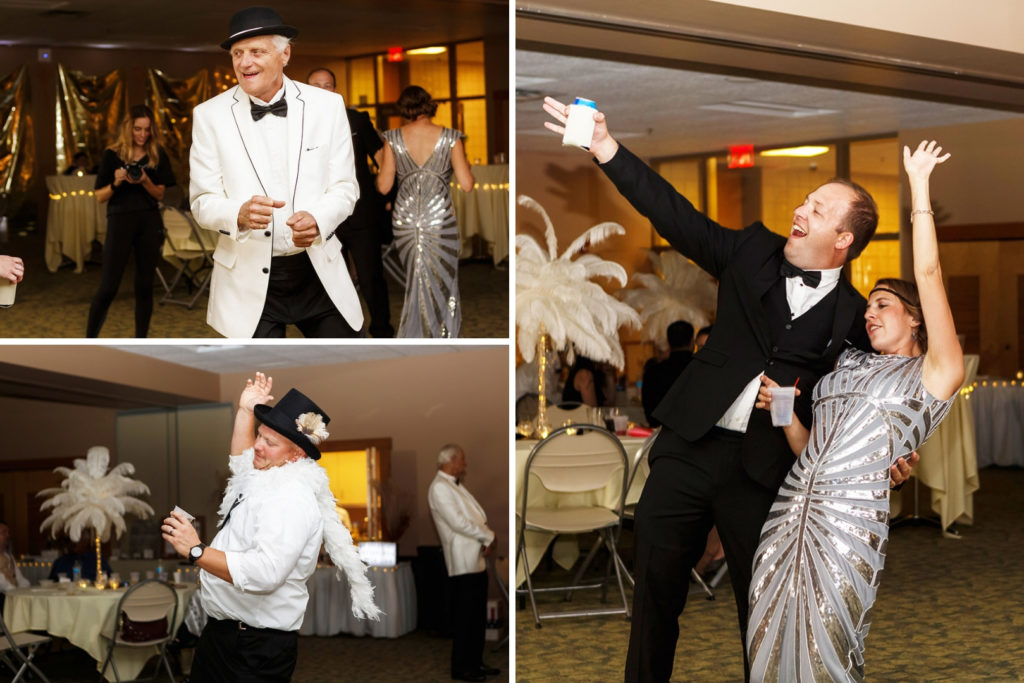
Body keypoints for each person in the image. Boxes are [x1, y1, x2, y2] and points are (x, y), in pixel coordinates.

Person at [542, 97, 915, 682]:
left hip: (764, 475)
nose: (800, 209)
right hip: (689, 448)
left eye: (817, 210)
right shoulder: (750, 252)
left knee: (761, 612)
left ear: (843, 239)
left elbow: (869, 405)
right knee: (654, 599)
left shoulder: (851, 318)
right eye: (805, 201)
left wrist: (890, 459)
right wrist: (605, 148)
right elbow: (675, 215)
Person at [747, 141, 963, 681]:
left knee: (829, 648)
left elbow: (931, 274)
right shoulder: (846, 366)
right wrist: (780, 408)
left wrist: (919, 186)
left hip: (847, 524)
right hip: (789, 512)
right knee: (767, 643)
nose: (870, 314)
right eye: (868, 307)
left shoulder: (934, 374)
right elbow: (807, 446)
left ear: (916, 319)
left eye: (883, 305)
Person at [161, 372, 379, 681]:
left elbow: (265, 573)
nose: (258, 446)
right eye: (260, 435)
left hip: (253, 648)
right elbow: (240, 458)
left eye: (270, 442)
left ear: (297, 454)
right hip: (224, 637)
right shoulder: (262, 475)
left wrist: (196, 550)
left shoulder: (290, 497)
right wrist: (245, 410)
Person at [189, 6, 363, 338]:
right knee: (265, 378)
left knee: (351, 366)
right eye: (238, 53)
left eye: (256, 51)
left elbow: (345, 187)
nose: (244, 62)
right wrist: (237, 212)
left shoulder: (327, 107)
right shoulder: (209, 115)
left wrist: (318, 219)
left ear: (285, 54)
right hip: (246, 280)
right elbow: (202, 201)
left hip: (318, 272)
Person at [376, 85, 475, 338]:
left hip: (406, 221)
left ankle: (421, 336)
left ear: (404, 109)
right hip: (440, 220)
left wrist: (381, 164)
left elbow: (384, 186)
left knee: (416, 279)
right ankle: (438, 336)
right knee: (441, 283)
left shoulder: (393, 138)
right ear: (429, 105)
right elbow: (466, 185)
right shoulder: (451, 137)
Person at [306, 67, 394, 337]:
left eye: (328, 85)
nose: (323, 90)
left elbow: (383, 158)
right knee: (331, 281)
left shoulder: (355, 120)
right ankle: (344, 334)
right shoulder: (298, 123)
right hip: (321, 217)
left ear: (336, 90)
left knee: (370, 278)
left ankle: (382, 331)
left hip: (360, 212)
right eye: (316, 86)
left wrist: (387, 195)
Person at [88, 104, 175, 337]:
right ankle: (88, 340)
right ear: (129, 128)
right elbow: (99, 197)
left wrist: (145, 180)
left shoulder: (157, 153)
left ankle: (141, 340)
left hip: (149, 222)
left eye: (147, 130)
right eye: (138, 129)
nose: (142, 135)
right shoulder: (112, 154)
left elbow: (159, 194)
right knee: (108, 286)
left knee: (145, 286)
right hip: (120, 221)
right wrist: (117, 182)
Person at [428, 444, 499, 682]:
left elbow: (472, 517)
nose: (465, 465)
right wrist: (489, 536)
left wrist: (484, 537)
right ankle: (462, 668)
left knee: (476, 617)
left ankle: (475, 662)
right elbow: (458, 523)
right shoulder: (439, 488)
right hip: (461, 561)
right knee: (465, 618)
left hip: (474, 556)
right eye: (463, 461)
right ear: (451, 460)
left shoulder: (452, 486)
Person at [641, 320, 694, 427]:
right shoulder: (700, 369)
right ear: (692, 342)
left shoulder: (653, 372)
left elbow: (649, 412)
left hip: (661, 433)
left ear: (668, 342)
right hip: (695, 434)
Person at [0, 520, 29, 612]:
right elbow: (2, 584)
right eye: (4, 532)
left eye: (8, 532)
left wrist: (28, 589)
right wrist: (16, 593)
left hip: (12, 597)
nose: (8, 536)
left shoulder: (9, 556)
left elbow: (20, 579)